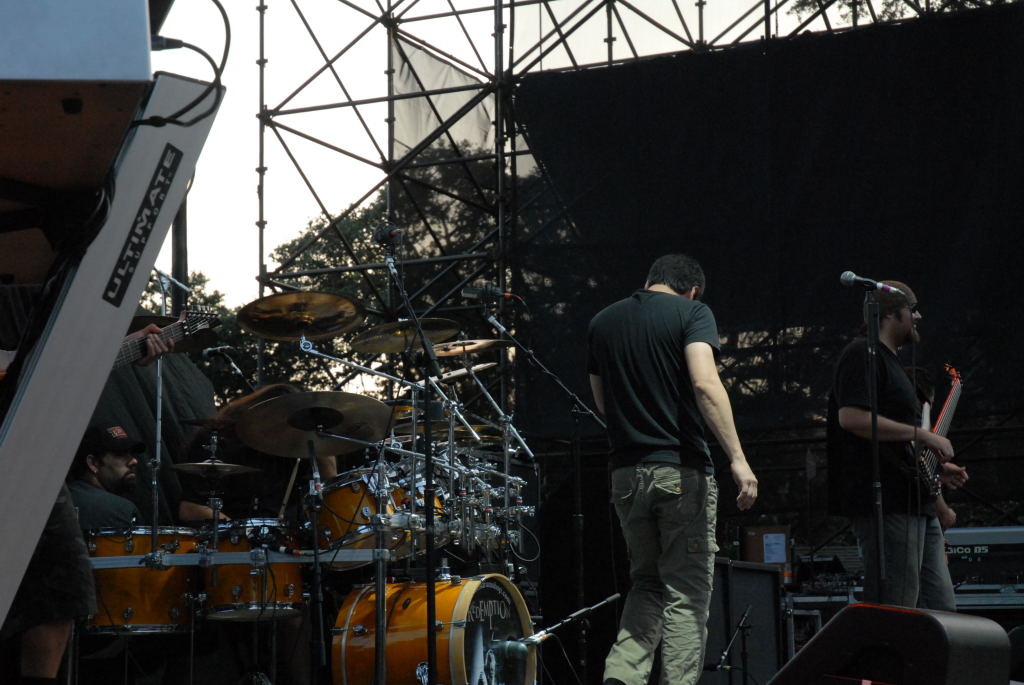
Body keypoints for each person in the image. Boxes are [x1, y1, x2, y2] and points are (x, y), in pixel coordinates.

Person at [587, 253, 758, 685]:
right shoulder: (693, 313)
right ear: (692, 289)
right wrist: (738, 459)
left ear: (651, 280)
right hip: (681, 471)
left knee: (646, 583)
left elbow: (603, 401)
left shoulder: (602, 322)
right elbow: (704, 383)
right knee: (686, 593)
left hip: (626, 474)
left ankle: (622, 676)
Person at [0, 325, 169, 685]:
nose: (133, 462)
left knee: (62, 582)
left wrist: (122, 347)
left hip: (21, 453)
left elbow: (45, 366)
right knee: (62, 576)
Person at [826, 280, 957, 608]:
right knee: (898, 605)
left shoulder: (893, 363)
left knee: (942, 607)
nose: (918, 317)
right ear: (889, 315)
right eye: (912, 310)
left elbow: (897, 442)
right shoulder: (861, 353)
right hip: (887, 501)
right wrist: (923, 434)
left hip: (914, 498)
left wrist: (936, 469)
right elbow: (851, 417)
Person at [67, 424, 144, 530]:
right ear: (93, 463)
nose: (134, 461)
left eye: (132, 453)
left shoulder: (60, 500)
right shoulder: (122, 510)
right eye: (120, 453)